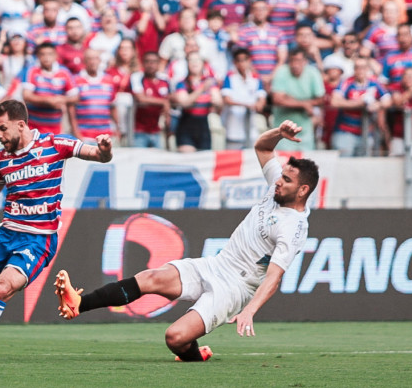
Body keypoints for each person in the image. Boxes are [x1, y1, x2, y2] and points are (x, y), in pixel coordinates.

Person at [54, 120, 317, 362]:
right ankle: (79, 303)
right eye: (281, 175)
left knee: (175, 338)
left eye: (286, 179)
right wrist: (279, 134)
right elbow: (262, 146)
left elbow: (273, 277)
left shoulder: (293, 227)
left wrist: (249, 310)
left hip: (235, 287)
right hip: (217, 264)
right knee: (150, 278)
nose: (278, 181)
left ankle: (192, 353)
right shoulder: (276, 188)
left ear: (303, 190)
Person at [0, 99, 113, 359]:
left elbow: (99, 156)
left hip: (38, 240)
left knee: (3, 288)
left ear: (21, 124)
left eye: (3, 128)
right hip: (6, 234)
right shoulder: (2, 159)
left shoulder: (55, 145)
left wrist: (106, 150)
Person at [270, 47, 325, 151]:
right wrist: (304, 104)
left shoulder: (313, 73)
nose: (295, 64)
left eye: (298, 61)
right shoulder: (281, 71)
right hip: (282, 132)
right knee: (284, 164)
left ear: (305, 61)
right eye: (292, 61)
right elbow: (277, 99)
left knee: (305, 165)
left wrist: (289, 98)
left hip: (305, 130)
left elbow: (321, 99)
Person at [21, 42, 76, 135]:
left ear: (56, 55)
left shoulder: (64, 72)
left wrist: (62, 100)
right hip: (34, 128)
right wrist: (49, 101)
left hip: (56, 129)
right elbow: (26, 96)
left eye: (49, 54)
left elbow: (75, 97)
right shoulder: (32, 71)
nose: (46, 57)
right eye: (43, 54)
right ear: (38, 56)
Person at [69, 48, 118, 141]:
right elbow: (71, 108)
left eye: (95, 58)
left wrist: (117, 127)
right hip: (84, 135)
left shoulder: (109, 80)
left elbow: (112, 106)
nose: (93, 62)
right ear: (84, 61)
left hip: (105, 135)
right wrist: (76, 132)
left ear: (100, 60)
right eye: (89, 59)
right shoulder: (75, 80)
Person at [221, 48, 266, 150]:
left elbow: (261, 98)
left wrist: (259, 104)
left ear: (249, 61)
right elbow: (227, 99)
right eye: (239, 60)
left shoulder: (255, 78)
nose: (242, 63)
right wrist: (247, 105)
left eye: (245, 60)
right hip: (233, 128)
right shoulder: (229, 77)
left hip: (251, 128)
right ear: (235, 62)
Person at [129, 51, 171, 148]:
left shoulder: (164, 80)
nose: (150, 65)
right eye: (147, 61)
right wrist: (163, 102)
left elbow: (170, 99)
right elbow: (141, 98)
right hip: (140, 131)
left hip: (158, 131)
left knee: (158, 162)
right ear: (143, 63)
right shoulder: (137, 77)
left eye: (154, 62)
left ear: (158, 64)